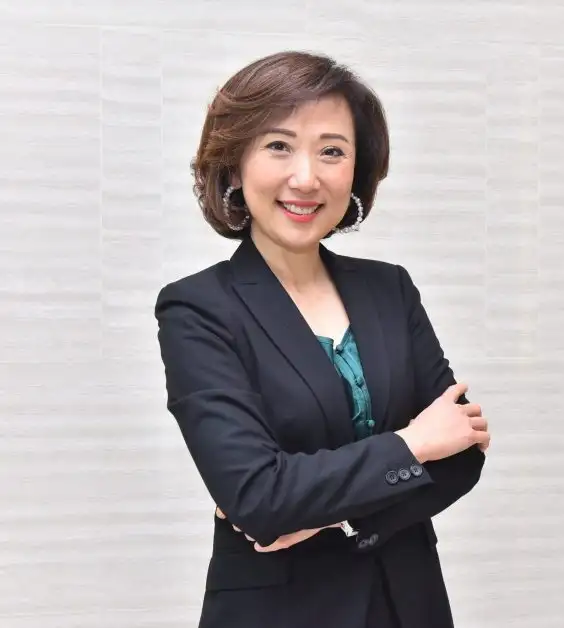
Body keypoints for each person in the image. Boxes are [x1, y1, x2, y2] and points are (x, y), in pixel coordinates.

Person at [154, 51, 490, 628]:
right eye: (278, 146)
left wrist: (338, 516)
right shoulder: (199, 308)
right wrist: (412, 444)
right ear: (234, 166)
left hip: (409, 605)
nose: (306, 177)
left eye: (332, 151)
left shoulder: (390, 289)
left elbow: (462, 451)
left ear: (357, 170)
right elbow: (258, 497)